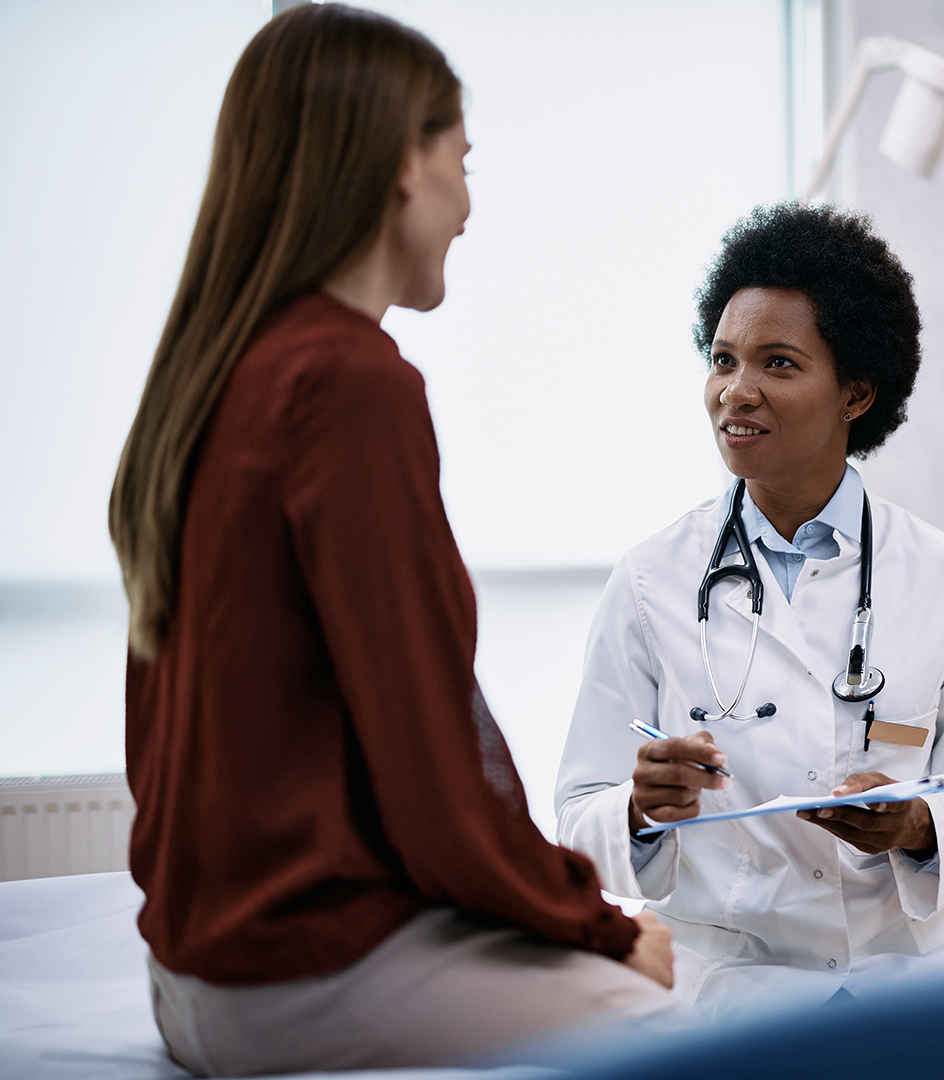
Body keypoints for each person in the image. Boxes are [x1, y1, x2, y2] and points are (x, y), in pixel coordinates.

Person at [108, 6, 680, 1075]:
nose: (470, 203)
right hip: (290, 970)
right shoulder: (349, 384)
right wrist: (602, 926)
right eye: (462, 160)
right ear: (401, 168)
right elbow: (431, 766)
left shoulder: (218, 374)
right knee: (661, 1026)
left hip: (191, 969)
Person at [555, 202, 944, 1022]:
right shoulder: (649, 580)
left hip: (912, 988)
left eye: (777, 363)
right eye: (723, 360)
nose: (735, 393)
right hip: (733, 997)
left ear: (856, 391)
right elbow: (577, 811)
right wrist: (638, 809)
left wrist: (917, 823)